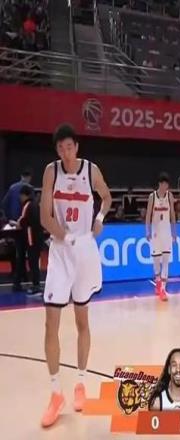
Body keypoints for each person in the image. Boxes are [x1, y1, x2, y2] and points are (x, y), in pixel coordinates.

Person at [39, 124, 111, 428]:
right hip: (60, 250)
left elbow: (106, 197)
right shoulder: (51, 172)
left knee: (82, 320)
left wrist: (100, 218)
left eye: (69, 147)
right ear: (57, 150)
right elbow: (45, 217)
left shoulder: (91, 170)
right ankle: (56, 393)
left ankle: (80, 383)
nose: (65, 152)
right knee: (51, 323)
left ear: (77, 147)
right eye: (60, 148)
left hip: (84, 250)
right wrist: (65, 237)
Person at [146, 173, 176, 301]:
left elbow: (173, 214)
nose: (165, 186)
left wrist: (174, 232)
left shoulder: (170, 196)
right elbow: (148, 215)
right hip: (156, 233)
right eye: (163, 184)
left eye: (167, 184)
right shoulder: (152, 197)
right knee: (156, 261)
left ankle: (163, 289)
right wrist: (147, 231)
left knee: (166, 261)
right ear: (159, 184)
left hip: (166, 232)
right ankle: (158, 281)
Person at [2, 169, 33, 289]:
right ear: (29, 177)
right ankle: (23, 276)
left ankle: (17, 273)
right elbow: (32, 207)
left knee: (16, 249)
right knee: (26, 251)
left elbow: (4, 204)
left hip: (13, 224)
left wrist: (8, 218)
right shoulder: (29, 189)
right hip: (25, 225)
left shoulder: (12, 187)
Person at [14, 185, 44, 295]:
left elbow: (22, 221)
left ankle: (36, 286)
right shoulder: (35, 205)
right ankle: (36, 284)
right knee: (34, 262)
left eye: (20, 196)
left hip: (32, 238)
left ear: (23, 195)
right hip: (37, 237)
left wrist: (17, 224)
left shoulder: (27, 205)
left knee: (33, 262)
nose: (19, 198)